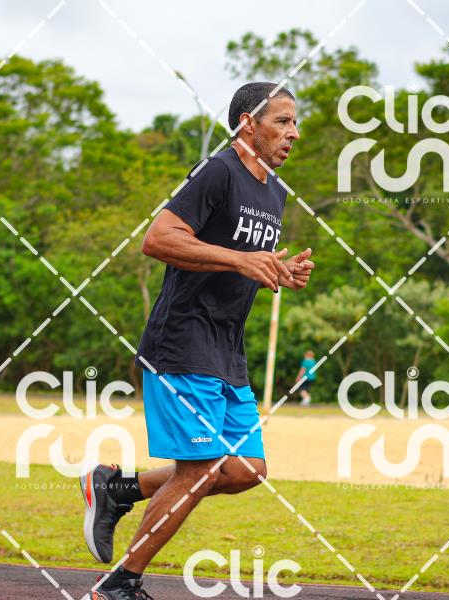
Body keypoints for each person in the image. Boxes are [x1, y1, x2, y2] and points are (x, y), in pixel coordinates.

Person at [79, 82, 314, 600]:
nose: (293, 133)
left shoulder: (274, 191)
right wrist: (241, 260)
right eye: (282, 121)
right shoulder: (218, 171)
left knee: (247, 469)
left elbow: (237, 261)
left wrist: (276, 271)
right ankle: (119, 585)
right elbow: (158, 238)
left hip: (228, 350)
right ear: (248, 124)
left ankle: (118, 489)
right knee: (201, 468)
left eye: (295, 123)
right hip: (183, 343)